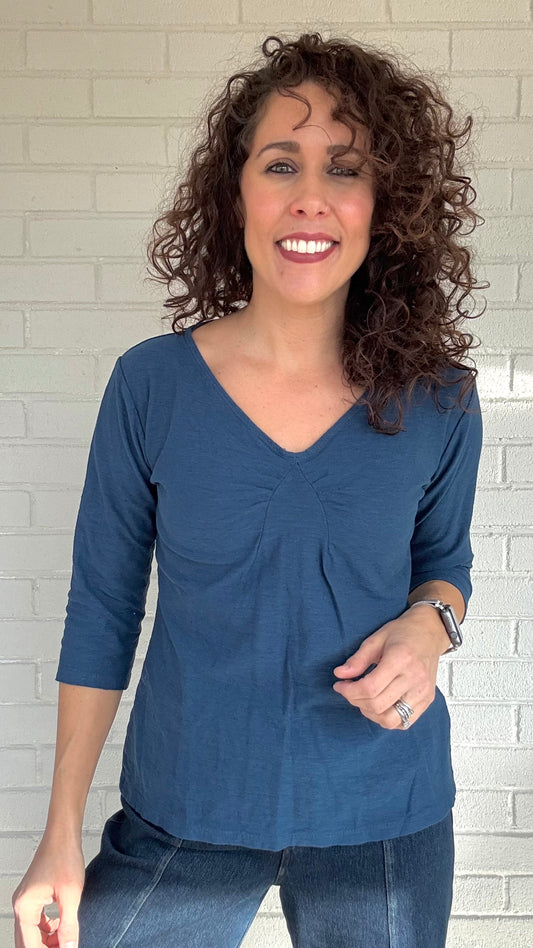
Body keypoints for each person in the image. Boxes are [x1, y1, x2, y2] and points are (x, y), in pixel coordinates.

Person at [12, 32, 484, 948]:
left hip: (384, 817)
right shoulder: (151, 385)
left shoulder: (441, 399)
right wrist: (59, 835)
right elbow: (101, 609)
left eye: (344, 168)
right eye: (280, 163)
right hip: (183, 809)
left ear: (385, 204)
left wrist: (429, 628)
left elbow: (444, 564)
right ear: (235, 194)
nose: (309, 196)